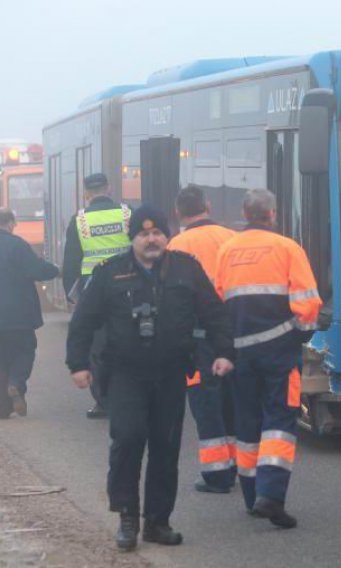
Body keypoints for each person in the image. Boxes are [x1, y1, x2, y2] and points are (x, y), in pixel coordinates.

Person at [66, 204, 234, 552]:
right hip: (125, 374)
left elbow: (215, 313)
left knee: (165, 447)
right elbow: (83, 321)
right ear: (133, 240)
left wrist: (223, 352)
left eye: (157, 232)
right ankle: (127, 517)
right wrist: (77, 364)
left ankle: (157, 522)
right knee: (127, 441)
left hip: (171, 373)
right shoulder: (109, 273)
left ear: (167, 236)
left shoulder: (186, 270)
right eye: (144, 234)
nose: (151, 239)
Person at [215, 189, 322, 529]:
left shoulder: (227, 249)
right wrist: (301, 334)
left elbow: (217, 303)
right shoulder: (288, 248)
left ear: (246, 214)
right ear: (273, 214)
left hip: (239, 355)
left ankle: (251, 498)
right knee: (279, 420)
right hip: (279, 354)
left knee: (247, 424)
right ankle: (271, 496)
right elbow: (308, 306)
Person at [166, 185, 237, 494]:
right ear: (208, 205)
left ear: (178, 213)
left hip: (198, 338)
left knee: (205, 402)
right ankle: (239, 463)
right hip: (234, 330)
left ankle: (217, 474)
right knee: (234, 401)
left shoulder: (176, 245)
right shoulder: (231, 237)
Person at [62, 172, 131, 419]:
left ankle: (103, 401)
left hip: (93, 290)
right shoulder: (126, 214)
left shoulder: (79, 221)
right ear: (109, 188)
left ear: (87, 193)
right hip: (127, 286)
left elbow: (71, 261)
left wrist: (71, 294)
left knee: (98, 346)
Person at [0, 209, 59, 418]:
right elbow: (36, 270)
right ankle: (16, 382)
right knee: (25, 350)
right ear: (10, 223)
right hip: (19, 315)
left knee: (2, 358)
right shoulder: (17, 245)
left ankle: (3, 407)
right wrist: (56, 270)